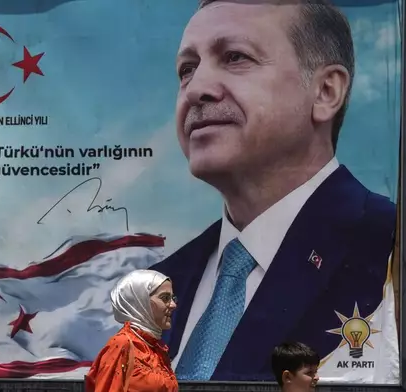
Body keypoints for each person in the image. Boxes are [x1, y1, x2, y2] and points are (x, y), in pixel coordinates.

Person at [150, 0, 396, 382]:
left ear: (326, 91)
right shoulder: (160, 283)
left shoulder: (389, 248)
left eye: (234, 57)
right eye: (187, 69)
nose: (196, 88)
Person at [85, 269, 179, 392]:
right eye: (165, 298)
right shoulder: (122, 344)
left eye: (172, 298)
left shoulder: (157, 348)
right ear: (140, 300)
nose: (173, 305)